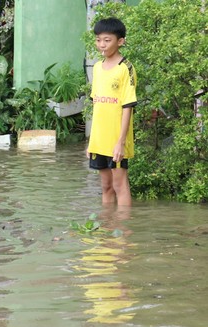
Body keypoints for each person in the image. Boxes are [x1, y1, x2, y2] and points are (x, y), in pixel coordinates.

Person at [87, 17, 137, 206]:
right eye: (98, 40)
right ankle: (107, 229)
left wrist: (121, 143)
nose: (102, 45)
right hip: (99, 140)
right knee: (106, 186)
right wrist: (91, 141)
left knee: (120, 185)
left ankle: (123, 232)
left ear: (120, 41)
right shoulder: (98, 67)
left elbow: (128, 106)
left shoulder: (126, 68)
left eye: (107, 40)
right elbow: (97, 106)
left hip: (117, 139)